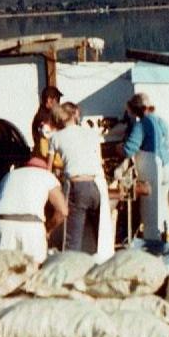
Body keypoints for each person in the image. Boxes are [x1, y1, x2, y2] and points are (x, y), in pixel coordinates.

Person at [48, 102, 113, 257]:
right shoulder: (92, 133)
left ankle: (71, 270)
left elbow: (48, 170)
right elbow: (99, 160)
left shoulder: (55, 137)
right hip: (97, 185)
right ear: (75, 115)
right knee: (103, 237)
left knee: (72, 240)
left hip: (77, 186)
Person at [0, 156, 68, 263]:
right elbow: (63, 211)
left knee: (1, 270)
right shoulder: (47, 176)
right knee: (34, 270)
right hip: (31, 226)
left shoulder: (9, 175)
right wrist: (48, 230)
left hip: (3, 225)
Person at [123, 92, 169, 242]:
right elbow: (167, 142)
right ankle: (163, 240)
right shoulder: (160, 121)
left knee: (150, 215)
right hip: (168, 165)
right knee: (162, 208)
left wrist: (119, 148)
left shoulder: (141, 125)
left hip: (153, 167)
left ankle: (152, 251)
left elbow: (129, 149)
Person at [31, 86, 63, 163]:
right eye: (57, 99)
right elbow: (47, 134)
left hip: (51, 156)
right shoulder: (43, 117)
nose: (59, 102)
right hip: (46, 158)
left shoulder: (47, 114)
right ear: (49, 100)